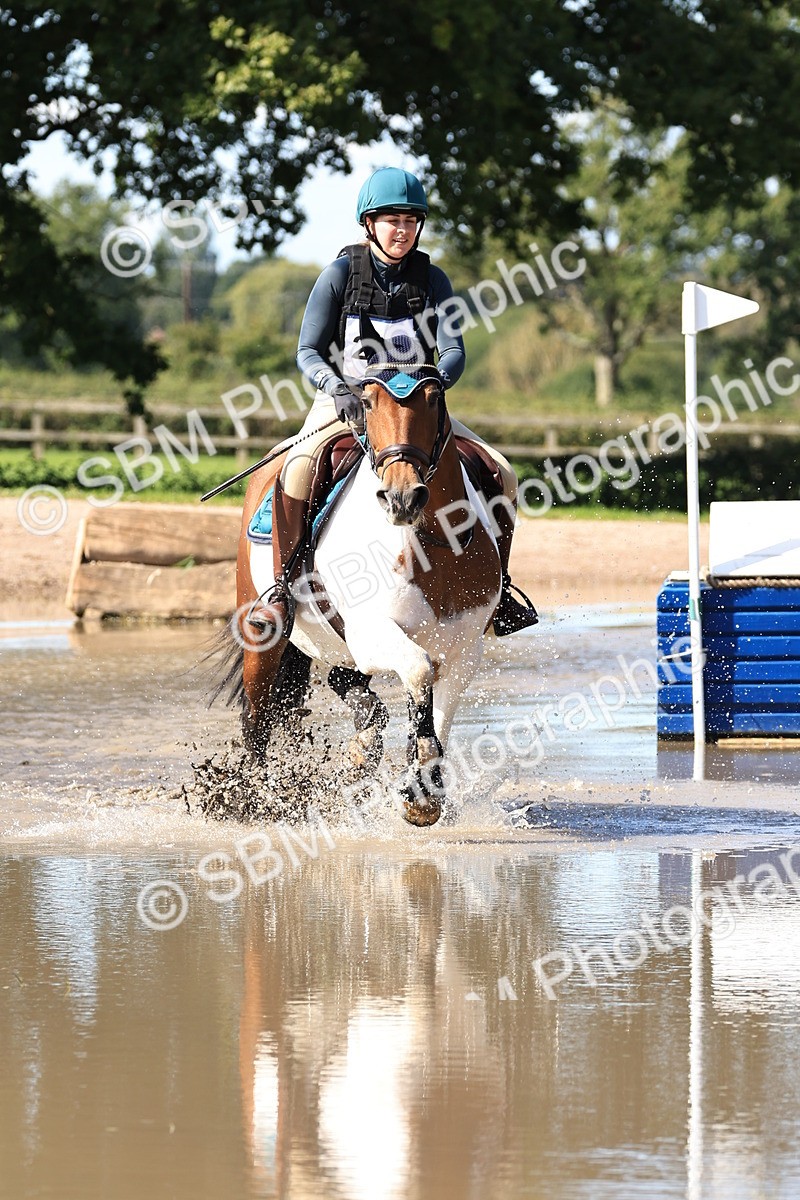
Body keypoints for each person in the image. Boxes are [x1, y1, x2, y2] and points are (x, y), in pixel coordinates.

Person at [258, 166, 537, 637]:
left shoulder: (434, 280)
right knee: (299, 467)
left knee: (502, 472)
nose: (402, 230)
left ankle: (500, 591)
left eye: (410, 221)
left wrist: (435, 383)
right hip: (348, 398)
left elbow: (453, 350)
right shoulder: (339, 276)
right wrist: (338, 389)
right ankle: (283, 589)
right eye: (391, 220)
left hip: (416, 408)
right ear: (369, 224)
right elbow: (307, 350)